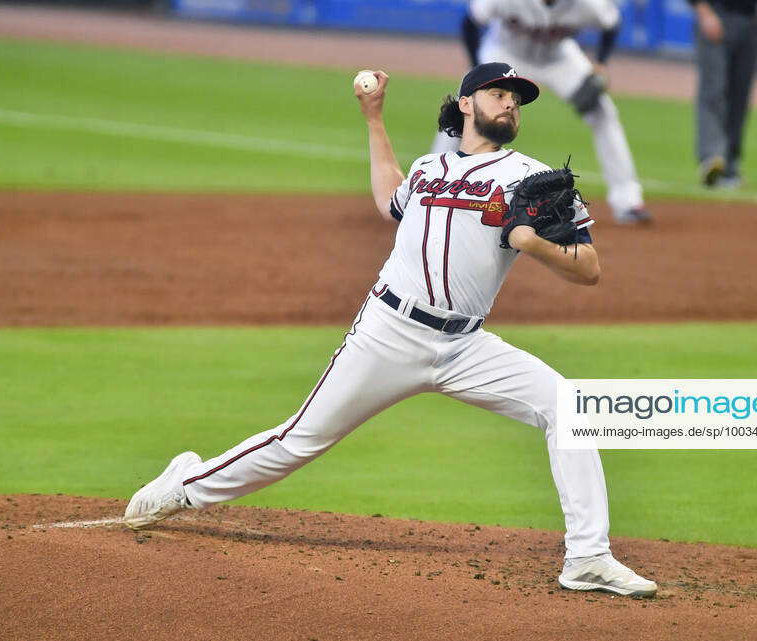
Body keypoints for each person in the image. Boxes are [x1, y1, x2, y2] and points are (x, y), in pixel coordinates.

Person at [123, 62, 657, 598]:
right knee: (300, 440)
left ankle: (588, 557)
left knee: (568, 409)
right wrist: (374, 119)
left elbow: (589, 269)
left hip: (464, 345)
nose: (510, 104)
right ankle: (186, 486)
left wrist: (535, 243)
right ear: (467, 104)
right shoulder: (429, 167)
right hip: (388, 332)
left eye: (516, 98)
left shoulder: (534, 179)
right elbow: (390, 201)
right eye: (498, 93)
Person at [431, 0, 652, 225]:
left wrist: (601, 63)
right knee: (466, 105)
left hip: (559, 59)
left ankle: (628, 201)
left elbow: (612, 23)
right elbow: (470, 21)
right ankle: (430, 184)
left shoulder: (589, 4)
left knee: (603, 112)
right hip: (505, 53)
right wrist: (476, 68)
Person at [691, 0, 757, 188]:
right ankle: (712, 158)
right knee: (713, 91)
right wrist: (705, 13)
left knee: (740, 98)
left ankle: (730, 167)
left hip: (752, 19)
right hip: (716, 14)